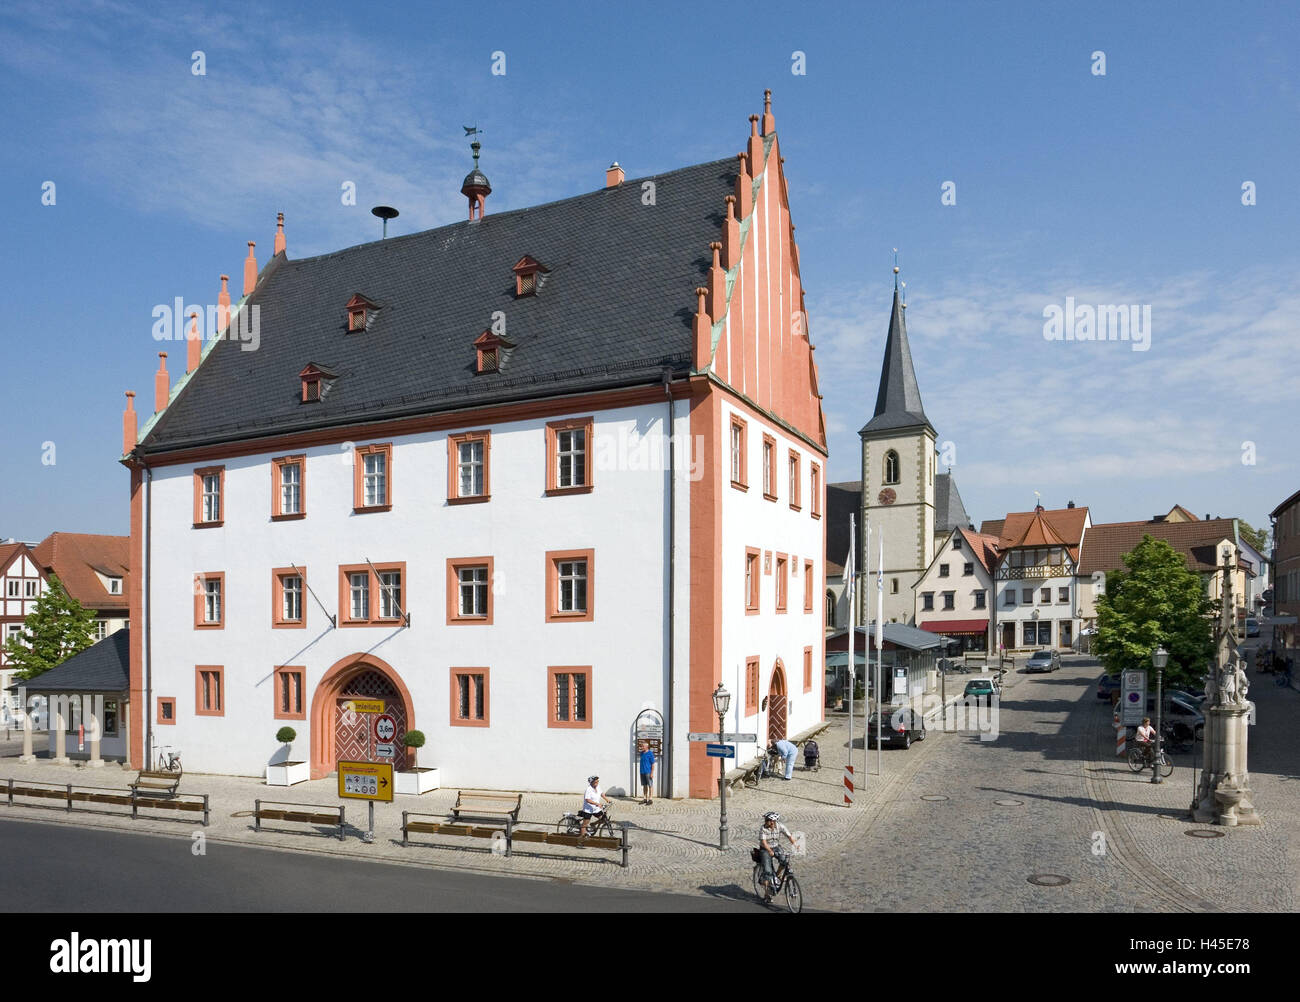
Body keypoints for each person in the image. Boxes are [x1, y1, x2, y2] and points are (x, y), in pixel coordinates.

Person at [757, 811, 797, 902]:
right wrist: (769, 851)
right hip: (765, 849)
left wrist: (795, 844)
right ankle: (767, 894)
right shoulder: (763, 829)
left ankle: (778, 874)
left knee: (784, 861)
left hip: (776, 847)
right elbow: (763, 842)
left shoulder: (780, 826)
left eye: (771, 821)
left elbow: (788, 835)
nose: (769, 823)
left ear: (774, 821)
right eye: (768, 821)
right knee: (768, 871)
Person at [578, 774, 610, 838]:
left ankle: (593, 824)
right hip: (588, 810)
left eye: (598, 781)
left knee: (603, 819)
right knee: (584, 825)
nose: (597, 783)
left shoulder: (598, 787)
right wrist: (597, 804)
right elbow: (587, 799)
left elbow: (601, 793)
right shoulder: (589, 789)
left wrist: (607, 800)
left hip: (596, 809)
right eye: (595, 782)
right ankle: (581, 840)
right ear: (591, 782)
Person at [637, 741, 655, 805]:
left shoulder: (650, 753)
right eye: (641, 746)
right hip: (642, 772)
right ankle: (645, 798)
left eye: (643, 746)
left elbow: (653, 764)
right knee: (644, 786)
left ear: (647, 747)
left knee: (650, 785)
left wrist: (652, 773)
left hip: (648, 772)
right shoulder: (641, 753)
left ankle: (650, 799)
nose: (642, 747)